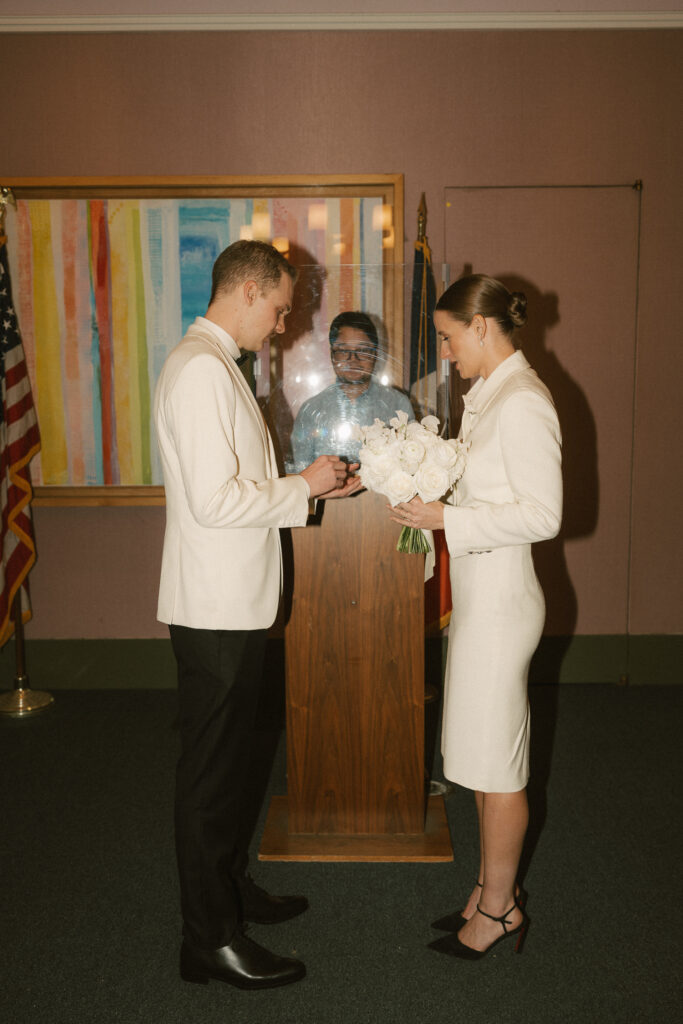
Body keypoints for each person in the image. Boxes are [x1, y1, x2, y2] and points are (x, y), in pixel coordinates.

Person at [154, 240, 361, 990]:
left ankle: (230, 891)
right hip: (212, 607)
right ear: (246, 291)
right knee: (210, 777)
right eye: (277, 309)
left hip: (228, 602)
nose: (279, 324)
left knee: (234, 766)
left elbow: (234, 484)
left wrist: (306, 488)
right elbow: (214, 503)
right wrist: (300, 485)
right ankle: (208, 939)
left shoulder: (212, 365)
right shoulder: (200, 370)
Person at [388, 274, 562, 960]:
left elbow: (543, 516)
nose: (446, 350)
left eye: (449, 336)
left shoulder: (522, 401)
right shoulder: (489, 395)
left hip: (502, 604)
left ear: (483, 326)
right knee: (485, 760)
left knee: (500, 767)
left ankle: (498, 912)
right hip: (480, 597)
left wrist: (444, 517)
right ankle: (491, 890)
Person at [289, 311, 413, 470]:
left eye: (362, 351)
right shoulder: (311, 411)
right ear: (332, 356)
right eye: (343, 351)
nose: (353, 359)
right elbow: (301, 474)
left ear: (375, 354)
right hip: (329, 496)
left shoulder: (398, 405)